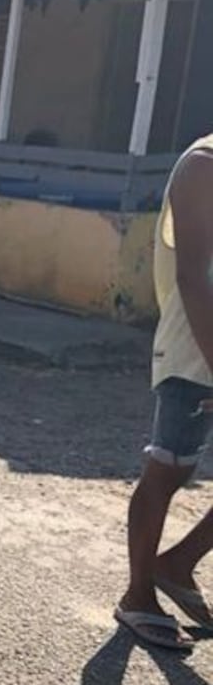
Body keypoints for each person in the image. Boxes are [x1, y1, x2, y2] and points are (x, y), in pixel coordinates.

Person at [115, 136, 213, 651]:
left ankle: (176, 564)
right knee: (169, 468)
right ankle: (137, 595)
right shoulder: (203, 165)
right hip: (197, 349)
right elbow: (193, 278)